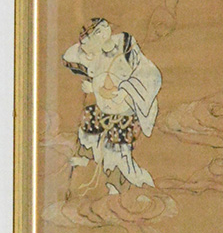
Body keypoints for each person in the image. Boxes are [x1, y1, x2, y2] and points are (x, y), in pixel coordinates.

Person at [62, 18, 162, 192]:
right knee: (90, 124)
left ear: (102, 33)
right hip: (107, 106)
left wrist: (125, 91)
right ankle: (88, 159)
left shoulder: (126, 46)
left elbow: (150, 76)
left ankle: (119, 183)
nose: (85, 48)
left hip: (128, 109)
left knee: (117, 148)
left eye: (88, 42)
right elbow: (69, 56)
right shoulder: (97, 53)